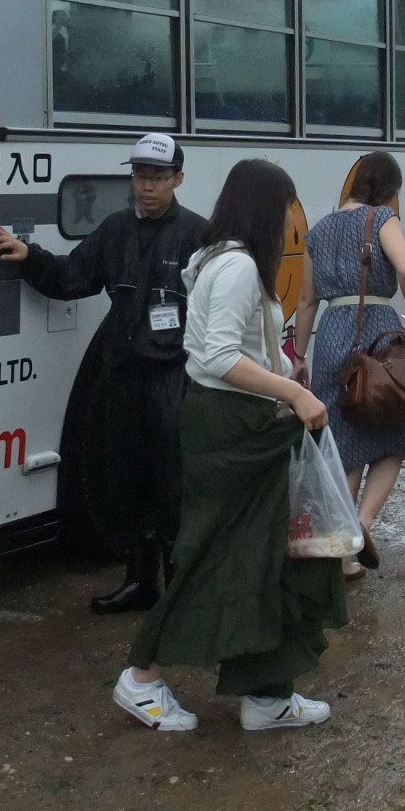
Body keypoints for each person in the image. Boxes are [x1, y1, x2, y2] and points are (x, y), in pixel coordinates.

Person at [112, 159, 348, 733]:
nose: (290, 224)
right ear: (265, 209)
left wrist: (279, 364)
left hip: (233, 424)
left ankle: (267, 694)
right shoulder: (239, 265)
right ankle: (140, 677)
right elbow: (217, 356)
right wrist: (292, 390)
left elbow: (229, 347)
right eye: (286, 210)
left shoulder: (217, 258)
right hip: (234, 429)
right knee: (217, 556)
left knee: (264, 558)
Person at [0, 133, 208, 614]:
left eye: (157, 177)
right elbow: (73, 277)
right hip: (123, 377)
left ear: (178, 179)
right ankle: (139, 582)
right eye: (139, 176)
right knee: (125, 481)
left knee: (172, 487)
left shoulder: (198, 235)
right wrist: (30, 257)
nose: (146, 187)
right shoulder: (114, 230)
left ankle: (180, 594)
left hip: (173, 380)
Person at [294, 151, 405, 578]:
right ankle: (361, 526)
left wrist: (299, 357)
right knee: (391, 438)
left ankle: (342, 553)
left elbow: (306, 300)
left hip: (332, 334)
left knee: (344, 442)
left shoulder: (320, 228)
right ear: (388, 189)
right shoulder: (381, 218)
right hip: (374, 332)